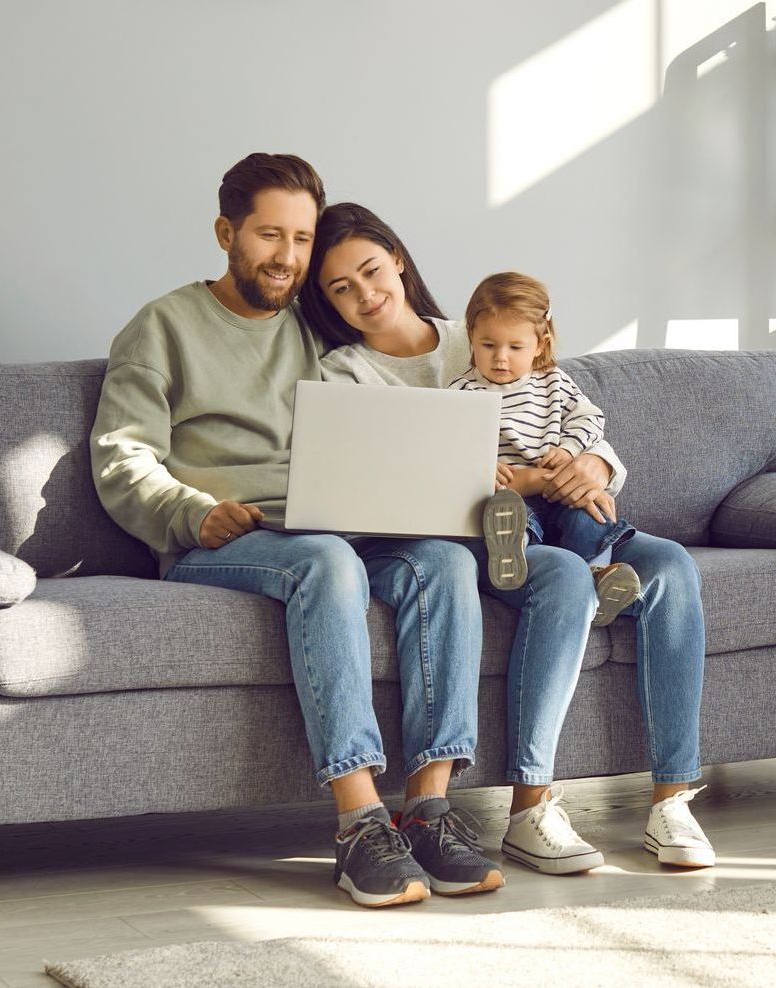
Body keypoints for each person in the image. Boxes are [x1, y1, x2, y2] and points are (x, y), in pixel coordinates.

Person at [90, 155, 505, 908]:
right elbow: (123, 461)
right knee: (324, 563)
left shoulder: (321, 327)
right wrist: (192, 511)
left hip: (340, 524)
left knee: (442, 563)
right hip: (222, 540)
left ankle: (429, 811)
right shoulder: (163, 327)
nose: (289, 258)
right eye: (269, 236)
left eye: (303, 239)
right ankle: (357, 825)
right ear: (227, 233)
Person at [301, 202, 716, 873]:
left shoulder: (485, 329)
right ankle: (531, 807)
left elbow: (569, 411)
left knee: (668, 565)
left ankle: (672, 799)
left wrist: (595, 466)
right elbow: (364, 494)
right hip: (480, 532)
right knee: (556, 573)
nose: (365, 294)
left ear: (398, 260)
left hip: (560, 510)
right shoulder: (345, 373)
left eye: (371, 271)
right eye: (340, 288)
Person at [451, 271, 640, 629]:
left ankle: (598, 577)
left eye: (515, 347)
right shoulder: (462, 392)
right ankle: (513, 552)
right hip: (511, 496)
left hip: (561, 491)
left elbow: (589, 419)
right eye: (488, 345)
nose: (500, 358)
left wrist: (569, 450)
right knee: (508, 514)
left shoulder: (555, 382)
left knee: (591, 513)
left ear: (540, 344)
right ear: (471, 339)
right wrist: (480, 465)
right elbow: (451, 447)